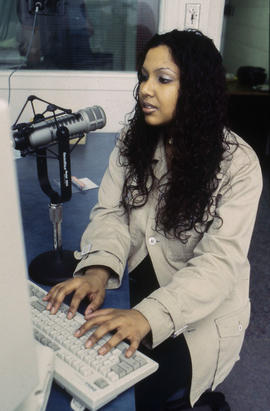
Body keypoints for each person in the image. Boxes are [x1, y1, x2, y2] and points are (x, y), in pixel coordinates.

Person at [43, 29, 262, 410]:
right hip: (142, 282)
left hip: (199, 313)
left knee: (122, 386)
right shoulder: (134, 138)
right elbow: (111, 213)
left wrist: (146, 316)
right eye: (144, 76)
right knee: (75, 353)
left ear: (195, 89)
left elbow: (218, 265)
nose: (146, 89)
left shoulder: (239, 166)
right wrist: (96, 269)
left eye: (163, 79)